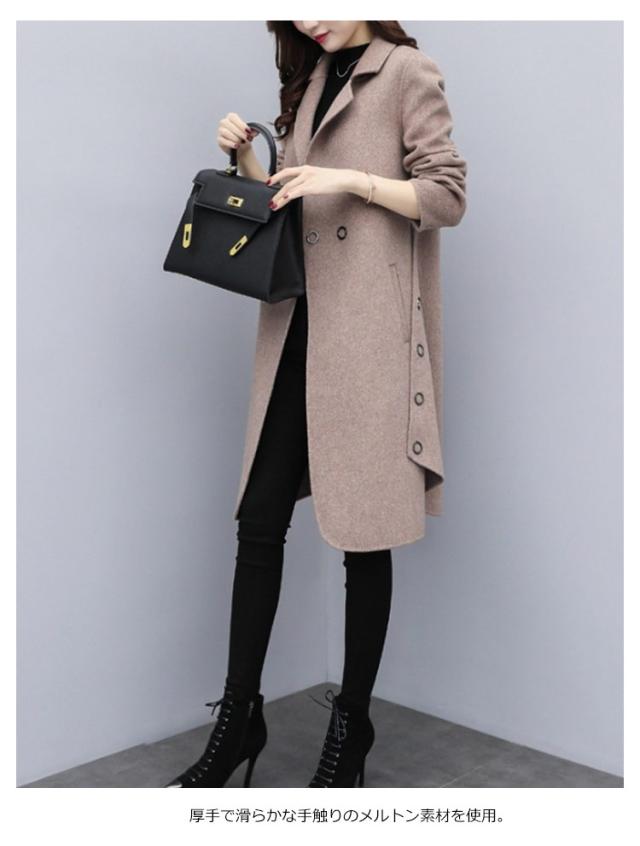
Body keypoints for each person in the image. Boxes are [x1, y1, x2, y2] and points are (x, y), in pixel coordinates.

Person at [165, 19, 467, 788]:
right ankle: (239, 720)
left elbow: (446, 194)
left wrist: (352, 180)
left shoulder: (407, 72)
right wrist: (246, 158)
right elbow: (289, 196)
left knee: (365, 535)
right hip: (294, 329)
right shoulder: (307, 80)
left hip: (367, 338)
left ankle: (350, 729)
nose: (308, 20)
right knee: (259, 521)